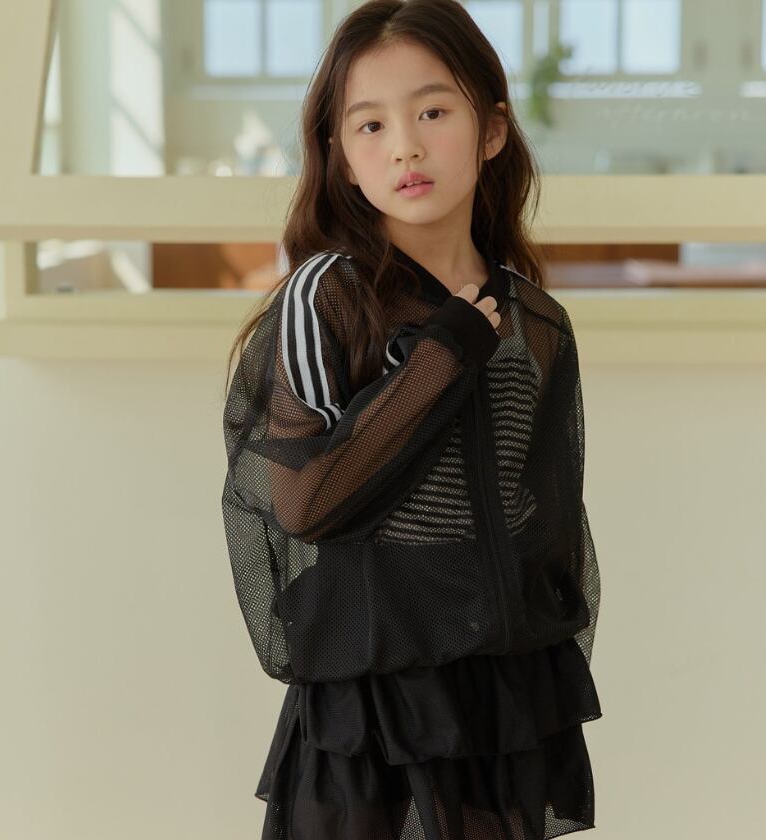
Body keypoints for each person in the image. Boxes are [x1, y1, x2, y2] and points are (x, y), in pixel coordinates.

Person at [220, 1, 602, 837]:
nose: (405, 146)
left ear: (491, 130)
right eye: (371, 125)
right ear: (341, 156)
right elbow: (306, 500)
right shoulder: (326, 295)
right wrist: (445, 353)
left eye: (432, 112)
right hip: (373, 705)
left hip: (500, 698)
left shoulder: (536, 322)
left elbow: (546, 523)